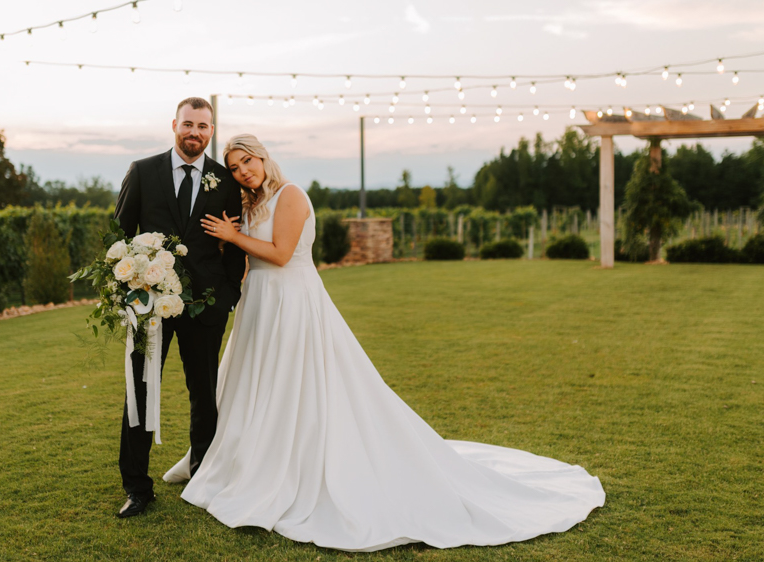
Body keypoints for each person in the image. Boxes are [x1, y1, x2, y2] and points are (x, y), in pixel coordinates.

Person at [162, 134, 605, 551]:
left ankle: (294, 464)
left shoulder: (290, 195)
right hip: (259, 304)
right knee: (252, 385)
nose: (243, 172)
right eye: (235, 167)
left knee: (297, 384)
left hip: (293, 302)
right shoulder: (249, 204)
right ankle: (242, 462)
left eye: (248, 162)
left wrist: (231, 236)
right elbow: (246, 260)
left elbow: (280, 254)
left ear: (263, 157)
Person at [112, 98, 246, 518]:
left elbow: (234, 244)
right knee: (140, 390)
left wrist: (226, 297)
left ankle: (204, 478)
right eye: (188, 124)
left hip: (205, 306)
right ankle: (137, 487)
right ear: (174, 125)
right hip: (149, 305)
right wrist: (129, 293)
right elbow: (119, 235)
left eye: (203, 126)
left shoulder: (225, 181)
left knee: (204, 395)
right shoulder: (143, 171)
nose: (195, 133)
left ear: (211, 130)